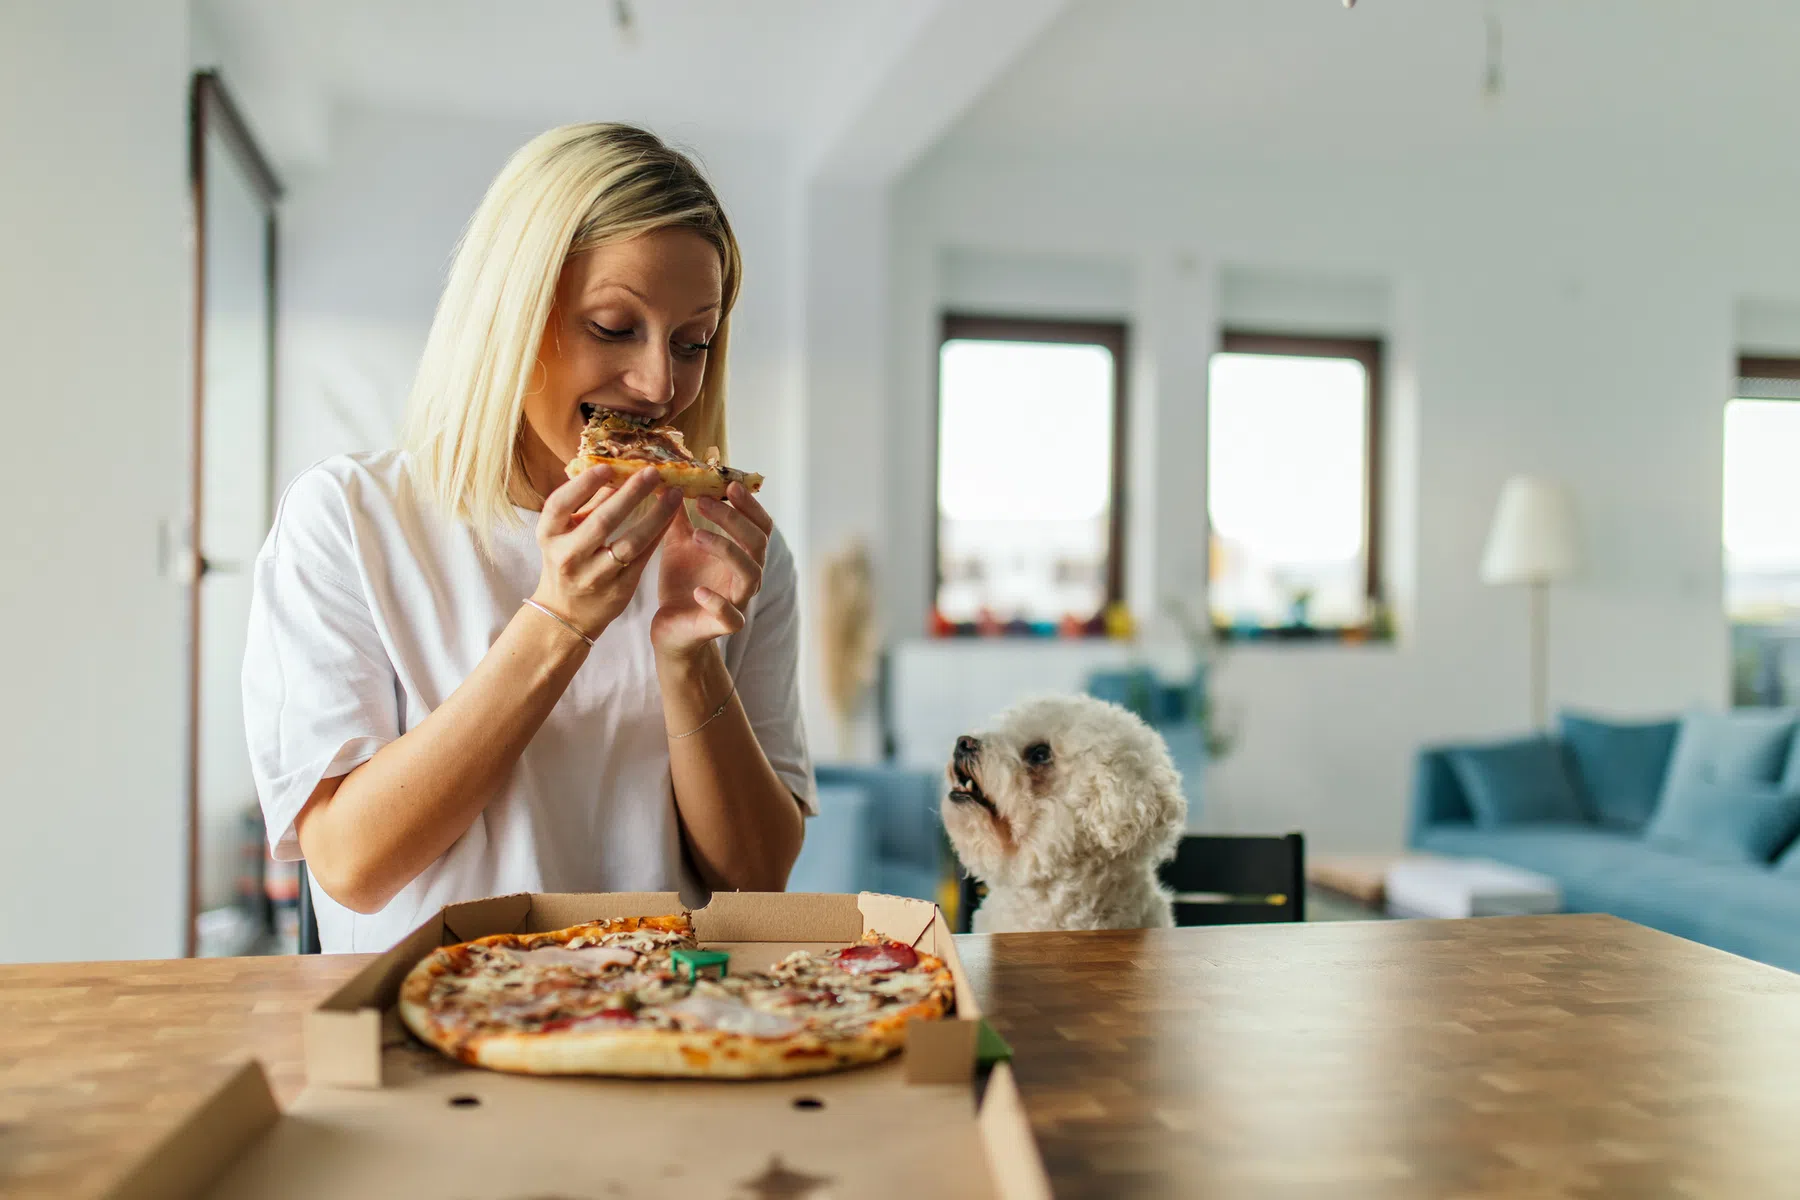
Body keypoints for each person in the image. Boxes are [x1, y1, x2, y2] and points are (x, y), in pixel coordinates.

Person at [243, 123, 811, 953]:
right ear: (509, 319)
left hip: (670, 1028)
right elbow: (353, 865)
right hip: (429, 1030)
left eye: (694, 343)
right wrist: (559, 619)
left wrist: (689, 655)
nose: (660, 386)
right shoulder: (350, 520)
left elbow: (757, 880)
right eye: (614, 327)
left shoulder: (731, 553)